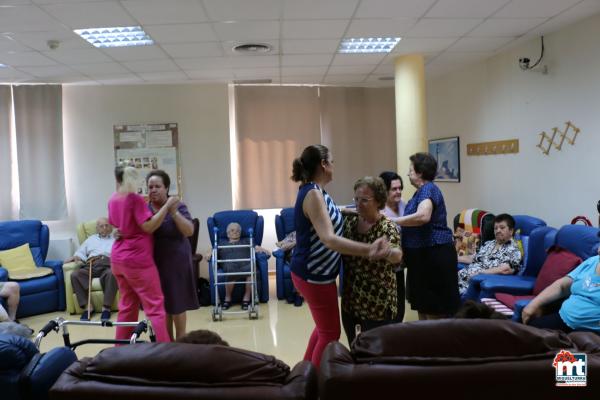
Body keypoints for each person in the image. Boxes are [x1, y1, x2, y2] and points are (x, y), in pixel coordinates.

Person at [290, 144, 390, 368]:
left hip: (315, 273)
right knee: (330, 333)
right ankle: (312, 384)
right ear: (323, 165)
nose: (334, 166)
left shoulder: (316, 190)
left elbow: (328, 212)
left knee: (322, 328)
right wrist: (369, 249)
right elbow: (329, 239)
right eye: (332, 162)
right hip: (313, 275)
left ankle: (304, 371)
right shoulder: (313, 194)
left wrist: (352, 210)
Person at [108, 165, 176, 343]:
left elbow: (116, 225)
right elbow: (149, 226)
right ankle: (165, 351)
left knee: (127, 306)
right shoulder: (134, 199)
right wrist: (168, 205)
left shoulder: (113, 199)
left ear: (117, 180)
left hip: (118, 259)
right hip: (137, 260)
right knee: (155, 306)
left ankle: (120, 350)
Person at [394, 152, 460, 320]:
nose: (408, 174)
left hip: (433, 257)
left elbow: (424, 216)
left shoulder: (428, 189)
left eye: (410, 170)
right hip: (423, 258)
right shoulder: (422, 192)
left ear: (420, 173)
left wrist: (394, 220)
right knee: (423, 308)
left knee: (434, 311)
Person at [341, 176, 403, 344]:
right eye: (356, 199)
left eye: (365, 200)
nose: (358, 204)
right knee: (353, 348)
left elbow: (397, 255)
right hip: (351, 302)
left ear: (378, 201)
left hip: (377, 305)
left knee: (376, 354)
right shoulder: (349, 222)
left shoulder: (387, 227)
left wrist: (387, 252)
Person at [146, 169, 199, 341]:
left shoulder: (179, 206)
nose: (153, 190)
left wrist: (173, 211)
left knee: (177, 305)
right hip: (154, 264)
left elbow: (189, 230)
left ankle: (181, 342)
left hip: (177, 262)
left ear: (166, 188)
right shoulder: (145, 208)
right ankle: (167, 344)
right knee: (162, 307)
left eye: (157, 186)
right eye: (150, 187)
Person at [522, 248, 600, 333]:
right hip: (562, 319)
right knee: (526, 332)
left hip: (589, 335)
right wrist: (533, 305)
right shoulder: (593, 261)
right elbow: (562, 286)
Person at [207, 222, 270, 311]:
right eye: (232, 230)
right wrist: (209, 252)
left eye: (238, 230)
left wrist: (263, 250)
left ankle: (246, 298)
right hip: (230, 265)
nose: (235, 232)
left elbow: (256, 248)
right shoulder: (221, 242)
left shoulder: (247, 241)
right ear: (227, 233)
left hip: (245, 264)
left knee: (251, 268)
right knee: (230, 268)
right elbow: (213, 250)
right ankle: (227, 298)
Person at [66, 217, 118, 321]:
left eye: (106, 225)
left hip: (108, 264)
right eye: (101, 226)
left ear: (111, 227)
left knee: (112, 274)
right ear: (97, 228)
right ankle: (88, 307)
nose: (104, 228)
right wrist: (76, 257)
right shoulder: (91, 239)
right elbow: (81, 252)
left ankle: (106, 308)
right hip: (91, 264)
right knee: (75, 275)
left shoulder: (115, 240)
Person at [457, 213, 522, 296]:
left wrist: (480, 273)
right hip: (461, 278)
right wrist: (455, 258)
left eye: (502, 228)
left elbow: (506, 269)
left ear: (511, 231)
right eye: (496, 228)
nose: (498, 230)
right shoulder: (489, 244)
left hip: (474, 283)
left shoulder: (513, 249)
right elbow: (474, 258)